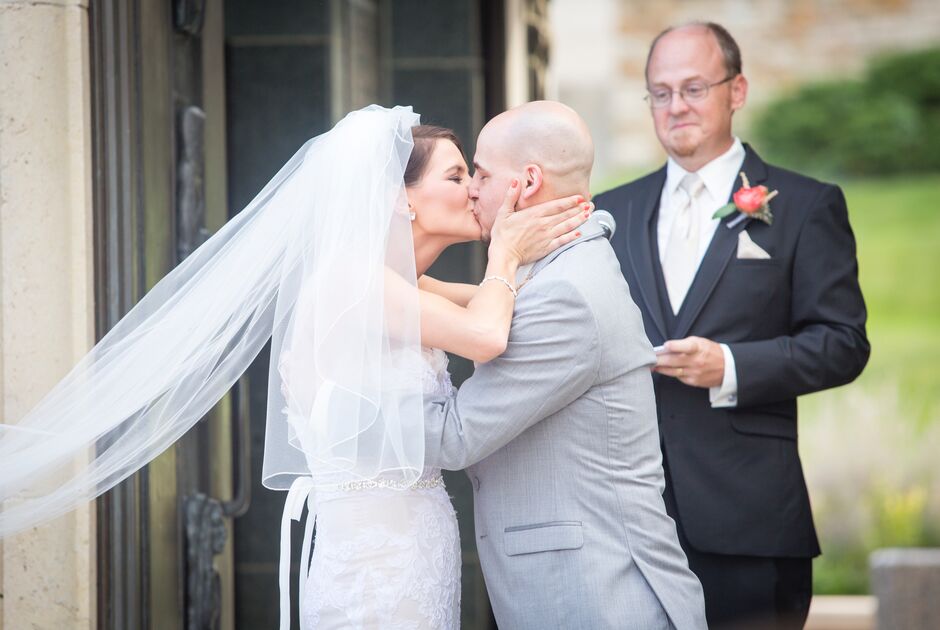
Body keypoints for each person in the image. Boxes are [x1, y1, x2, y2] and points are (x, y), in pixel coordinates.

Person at [0, 106, 589, 630]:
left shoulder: (406, 285)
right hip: (373, 564)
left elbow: (509, 307)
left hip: (418, 547)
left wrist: (558, 243)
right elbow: (486, 335)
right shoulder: (351, 283)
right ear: (399, 196)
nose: (475, 191)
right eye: (456, 177)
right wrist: (506, 253)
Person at [593, 23, 870, 629]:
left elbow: (844, 343)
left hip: (749, 519)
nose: (676, 106)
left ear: (736, 91)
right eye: (660, 92)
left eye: (694, 88)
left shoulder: (805, 205)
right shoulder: (609, 213)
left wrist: (732, 366)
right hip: (625, 525)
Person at [422, 100, 708, 630]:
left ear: (528, 182)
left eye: (481, 173)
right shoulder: (564, 266)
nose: (473, 190)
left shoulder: (565, 295)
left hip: (601, 596)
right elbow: (491, 303)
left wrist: (353, 388)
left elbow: (453, 437)